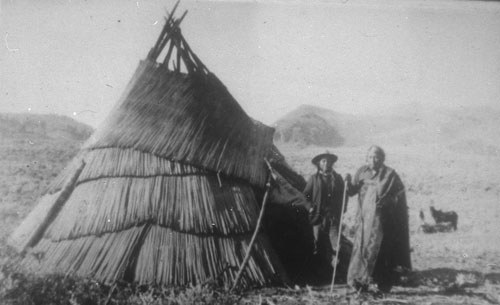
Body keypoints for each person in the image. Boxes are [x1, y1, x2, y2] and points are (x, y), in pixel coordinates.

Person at [345, 146, 411, 293]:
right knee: (361, 251)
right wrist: (348, 183)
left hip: (382, 223)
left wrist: (389, 200)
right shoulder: (362, 172)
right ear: (366, 158)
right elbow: (352, 191)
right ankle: (359, 283)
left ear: (382, 158)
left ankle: (383, 285)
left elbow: (399, 195)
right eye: (369, 157)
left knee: (381, 253)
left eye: (376, 157)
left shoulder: (390, 174)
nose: (373, 160)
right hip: (363, 221)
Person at [303, 152, 347, 262]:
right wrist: (310, 207)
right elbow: (305, 196)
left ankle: (334, 268)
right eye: (324, 161)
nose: (326, 163)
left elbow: (344, 195)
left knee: (336, 244)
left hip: (333, 217)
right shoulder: (314, 179)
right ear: (319, 163)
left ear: (332, 163)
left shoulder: (338, 178)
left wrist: (342, 209)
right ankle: (319, 267)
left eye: (329, 161)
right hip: (318, 216)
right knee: (318, 242)